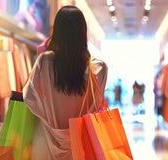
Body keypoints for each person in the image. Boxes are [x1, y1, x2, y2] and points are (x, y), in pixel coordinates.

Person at [22, 5, 108, 160]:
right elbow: (96, 106)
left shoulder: (44, 61)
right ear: (83, 32)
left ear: (57, 31)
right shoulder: (99, 68)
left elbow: (28, 97)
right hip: (80, 146)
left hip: (45, 143)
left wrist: (47, 117)